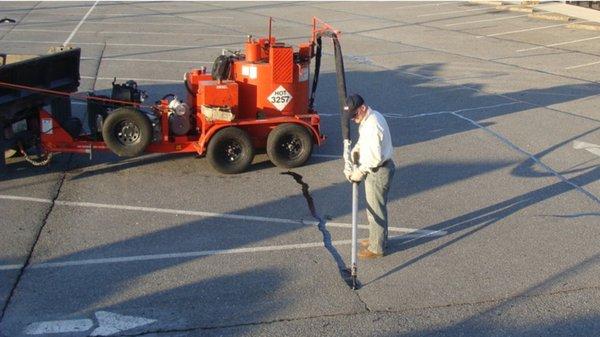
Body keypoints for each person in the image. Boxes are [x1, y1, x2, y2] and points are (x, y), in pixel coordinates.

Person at [344, 94, 395, 259]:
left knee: (376, 210)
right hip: (378, 168)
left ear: (363, 108)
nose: (353, 119)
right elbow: (365, 140)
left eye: (354, 115)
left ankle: (377, 248)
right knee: (375, 207)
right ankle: (377, 238)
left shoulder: (373, 124)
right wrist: (357, 149)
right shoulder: (369, 119)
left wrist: (359, 172)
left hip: (377, 170)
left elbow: (373, 158)